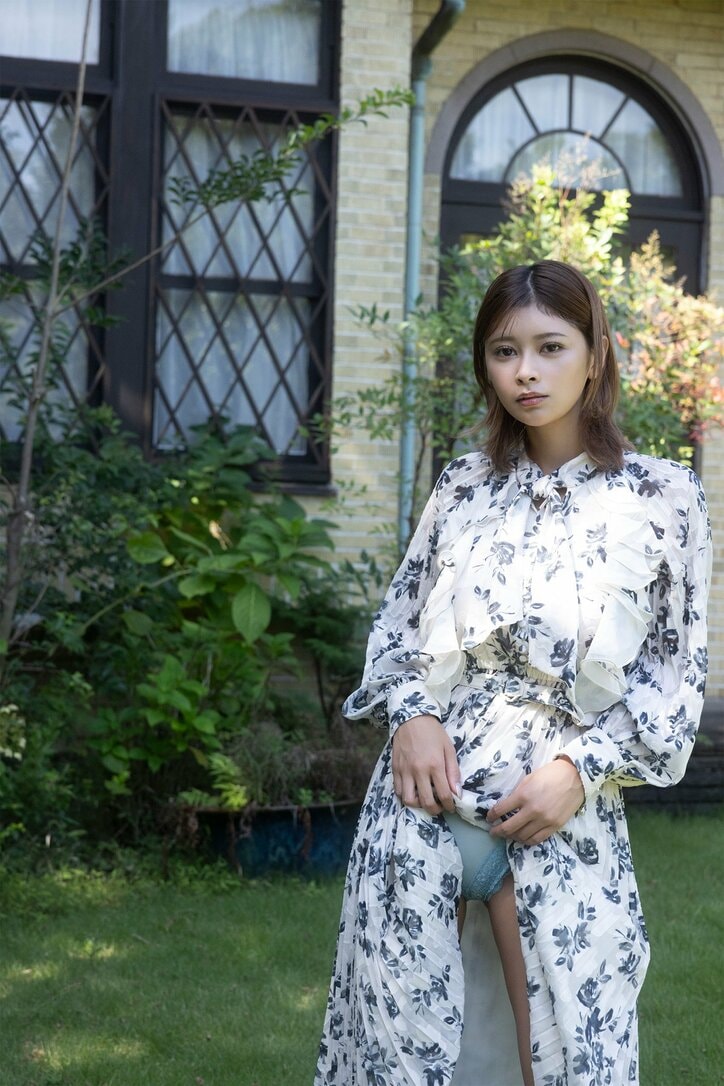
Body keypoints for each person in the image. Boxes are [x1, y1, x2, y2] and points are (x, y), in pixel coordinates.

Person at [314, 260, 711, 1086]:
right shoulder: (463, 486)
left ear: (595, 354)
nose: (525, 371)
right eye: (504, 351)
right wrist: (411, 716)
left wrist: (578, 770)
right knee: (398, 1059)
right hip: (420, 809)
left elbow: (674, 680)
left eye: (549, 347)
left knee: (567, 1055)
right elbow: (396, 628)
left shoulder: (661, 496)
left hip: (552, 817)